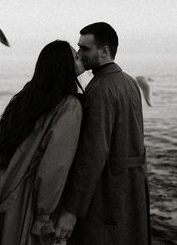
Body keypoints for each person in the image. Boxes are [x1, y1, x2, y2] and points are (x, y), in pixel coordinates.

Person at [0, 40, 85, 245]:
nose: (81, 58)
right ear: (64, 65)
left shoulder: (26, 96)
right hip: (17, 196)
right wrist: (43, 215)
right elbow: (54, 167)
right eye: (76, 57)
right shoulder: (69, 106)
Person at [56, 22, 151, 245]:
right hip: (133, 189)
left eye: (85, 48)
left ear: (105, 51)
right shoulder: (128, 82)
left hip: (107, 194)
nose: (79, 54)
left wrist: (71, 210)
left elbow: (93, 154)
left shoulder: (99, 89)